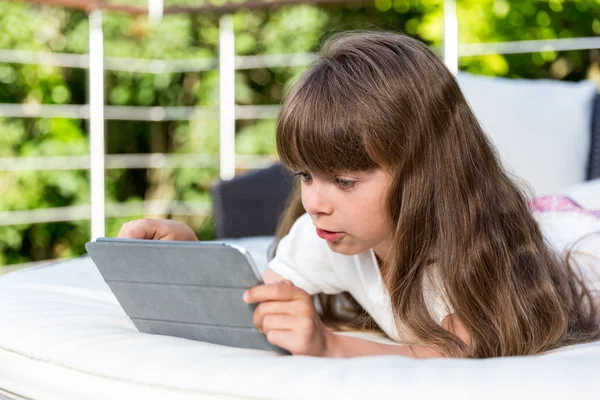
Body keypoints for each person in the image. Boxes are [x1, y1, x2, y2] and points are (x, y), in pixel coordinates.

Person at [117, 31, 600, 358]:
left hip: (579, 237)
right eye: (306, 175)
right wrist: (188, 261)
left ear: (425, 173)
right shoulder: (322, 234)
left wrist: (332, 347)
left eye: (345, 181)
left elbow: (444, 353)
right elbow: (262, 302)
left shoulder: (472, 261)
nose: (316, 202)